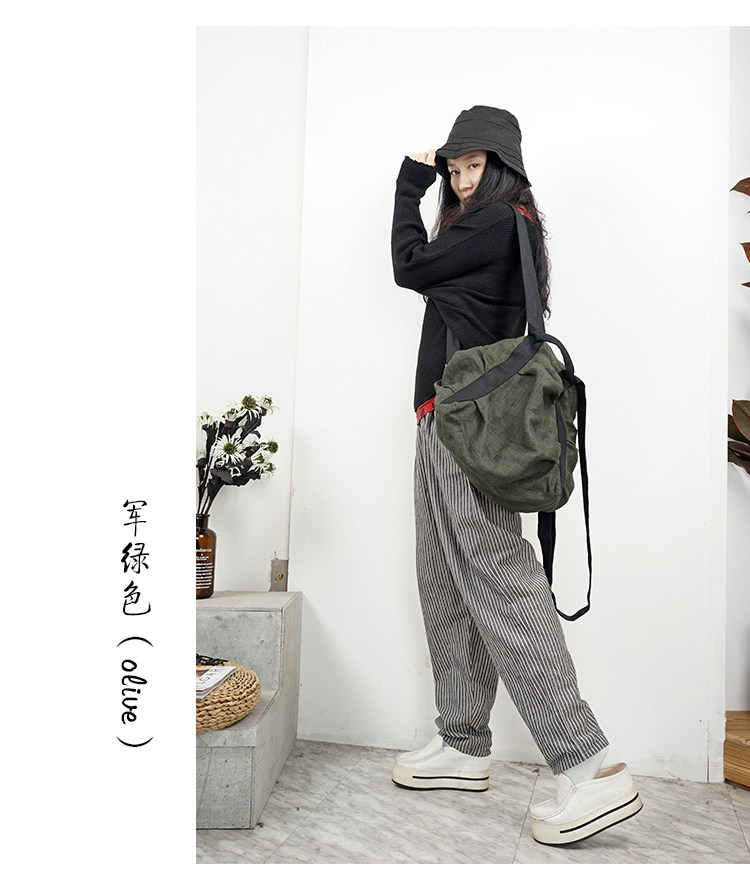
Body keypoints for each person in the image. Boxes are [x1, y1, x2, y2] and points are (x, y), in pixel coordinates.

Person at [389, 105, 642, 846]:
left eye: (474, 166)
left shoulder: (500, 220)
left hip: (471, 427)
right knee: (443, 576)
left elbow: (408, 266)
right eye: (453, 169)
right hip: (444, 419)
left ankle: (588, 764)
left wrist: (409, 185)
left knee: (499, 578)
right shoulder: (487, 225)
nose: (463, 180)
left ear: (502, 167)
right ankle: (463, 740)